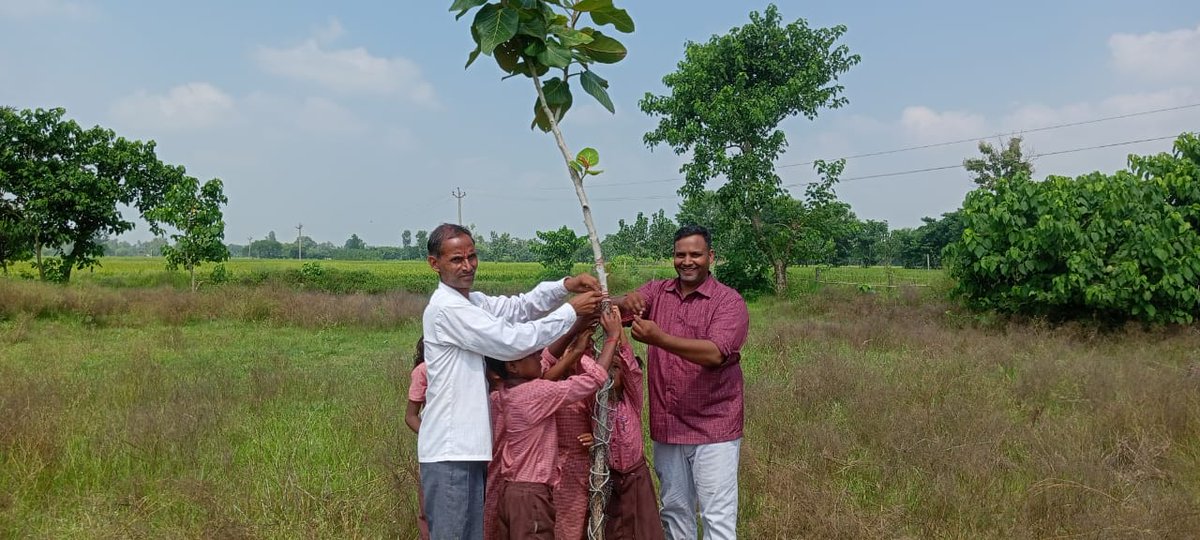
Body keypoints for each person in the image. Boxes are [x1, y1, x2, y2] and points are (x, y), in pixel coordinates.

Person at [420, 223, 602, 540]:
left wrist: (565, 285)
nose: (467, 266)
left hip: (469, 449)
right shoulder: (447, 309)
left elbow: (518, 307)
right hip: (451, 451)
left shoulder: (471, 303)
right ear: (434, 264)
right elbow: (513, 342)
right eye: (456, 260)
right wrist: (570, 313)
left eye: (472, 257)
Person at [619, 224, 750, 540]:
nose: (687, 261)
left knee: (716, 516)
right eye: (681, 255)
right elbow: (616, 310)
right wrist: (630, 299)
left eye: (696, 254)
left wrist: (660, 338)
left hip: (714, 428)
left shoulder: (728, 302)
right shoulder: (658, 291)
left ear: (711, 257)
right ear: (673, 257)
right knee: (675, 512)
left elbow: (716, 353)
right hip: (669, 426)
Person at [485, 305, 623, 539]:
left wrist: (574, 335)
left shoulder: (507, 391)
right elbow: (594, 379)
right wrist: (613, 337)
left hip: (512, 490)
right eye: (533, 354)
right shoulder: (537, 393)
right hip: (532, 495)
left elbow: (548, 361)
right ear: (513, 366)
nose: (540, 356)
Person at [405, 337, 431, 540]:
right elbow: (411, 416)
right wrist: (431, 435)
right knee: (428, 510)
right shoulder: (423, 371)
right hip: (432, 452)